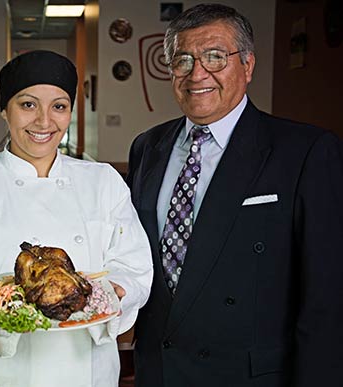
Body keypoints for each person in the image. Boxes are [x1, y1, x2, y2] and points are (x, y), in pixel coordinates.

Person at [126, 4, 343, 387]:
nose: (197, 74)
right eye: (183, 60)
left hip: (247, 375)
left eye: (214, 57)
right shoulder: (148, 146)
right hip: (158, 369)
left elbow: (326, 297)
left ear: (247, 65)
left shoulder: (306, 151)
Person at [0, 50, 153, 387]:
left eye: (59, 106)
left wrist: (118, 290)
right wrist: (2, 313)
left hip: (84, 369)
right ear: (4, 109)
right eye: (28, 104)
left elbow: (133, 266)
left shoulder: (102, 181)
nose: (44, 122)